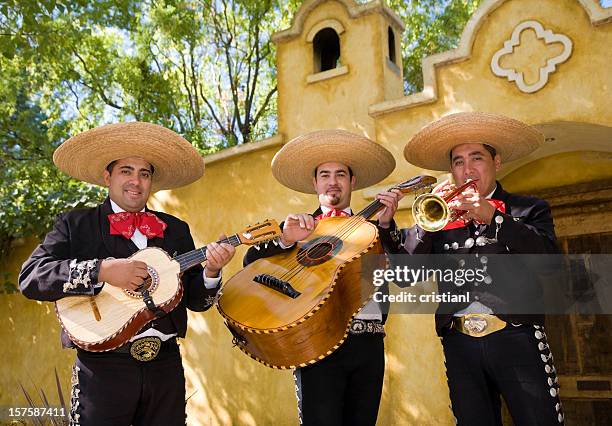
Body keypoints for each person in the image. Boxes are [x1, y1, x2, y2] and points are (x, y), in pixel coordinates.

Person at [19, 122, 235, 426]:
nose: (136, 181)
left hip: (165, 367)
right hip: (103, 369)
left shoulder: (175, 230)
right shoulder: (75, 224)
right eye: (126, 170)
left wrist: (212, 271)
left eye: (144, 173)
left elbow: (197, 301)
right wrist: (102, 270)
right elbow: (31, 276)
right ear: (107, 176)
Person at [396, 112, 564, 425]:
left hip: (517, 339)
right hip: (460, 345)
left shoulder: (528, 209)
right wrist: (427, 226)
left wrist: (494, 218)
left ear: (496, 161)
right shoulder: (438, 218)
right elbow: (406, 277)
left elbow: (551, 264)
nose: (467, 169)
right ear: (451, 170)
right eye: (458, 161)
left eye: (477, 157)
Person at [243, 129, 403, 426]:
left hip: (368, 343)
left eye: (340, 174)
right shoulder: (297, 227)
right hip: (317, 341)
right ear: (314, 183)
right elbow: (250, 262)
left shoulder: (377, 227)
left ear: (352, 181)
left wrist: (388, 224)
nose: (333, 182)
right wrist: (285, 241)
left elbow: (406, 276)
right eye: (325, 175)